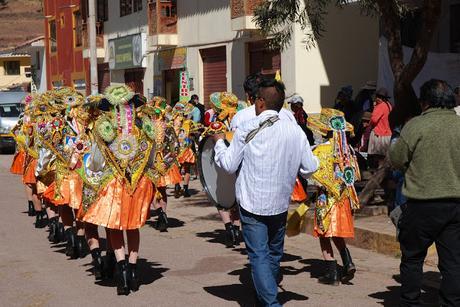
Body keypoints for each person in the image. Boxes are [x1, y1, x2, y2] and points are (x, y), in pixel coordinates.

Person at [214, 78, 319, 306]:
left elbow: (229, 165)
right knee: (273, 254)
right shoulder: (296, 132)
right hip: (280, 203)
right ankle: (267, 296)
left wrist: (220, 144)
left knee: (259, 255)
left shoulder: (246, 128)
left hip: (252, 202)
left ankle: (271, 303)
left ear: (260, 102)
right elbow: (310, 168)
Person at [390, 79, 460, 307]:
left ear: (425, 103)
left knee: (412, 258)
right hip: (455, 206)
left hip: (421, 205)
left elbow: (397, 159)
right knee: (452, 262)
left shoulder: (415, 126)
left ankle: (411, 302)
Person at [307, 108, 361, 285]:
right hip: (343, 197)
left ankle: (332, 274)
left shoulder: (320, 150)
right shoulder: (347, 150)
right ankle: (348, 262)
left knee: (324, 235)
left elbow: (312, 177)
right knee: (337, 234)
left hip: (325, 198)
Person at [230, 73, 296, 130]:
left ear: (248, 95)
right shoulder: (288, 115)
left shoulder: (240, 117)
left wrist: (220, 141)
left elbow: (234, 142)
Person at [368, 88, 393, 169]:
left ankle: (378, 175)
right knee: (383, 158)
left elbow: (374, 120)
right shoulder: (389, 105)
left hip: (379, 134)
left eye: (378, 97)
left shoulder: (380, 106)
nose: (377, 98)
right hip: (387, 134)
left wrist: (375, 108)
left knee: (378, 159)